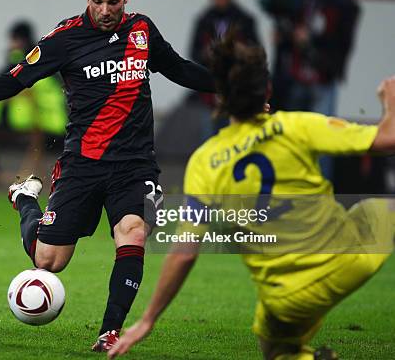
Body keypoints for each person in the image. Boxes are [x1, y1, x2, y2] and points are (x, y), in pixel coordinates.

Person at [0, 0, 214, 351]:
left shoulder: (142, 30)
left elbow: (181, 70)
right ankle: (24, 199)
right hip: (82, 163)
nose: (106, 11)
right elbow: (12, 81)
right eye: (98, 1)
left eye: (114, 2)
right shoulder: (64, 39)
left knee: (133, 232)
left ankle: (110, 332)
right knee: (48, 261)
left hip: (134, 163)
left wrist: (241, 93)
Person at [108, 35, 395, 359]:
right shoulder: (296, 126)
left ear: (219, 97)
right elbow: (389, 138)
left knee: (274, 348)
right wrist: (391, 100)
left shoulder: (206, 161)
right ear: (268, 91)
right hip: (347, 261)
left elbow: (184, 254)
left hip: (287, 298)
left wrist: (147, 320)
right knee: (383, 209)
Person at [189, 0, 259, 139]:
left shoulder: (244, 20)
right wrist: (206, 54)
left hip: (237, 85)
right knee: (209, 134)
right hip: (211, 86)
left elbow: (255, 51)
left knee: (236, 134)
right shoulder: (204, 20)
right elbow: (194, 52)